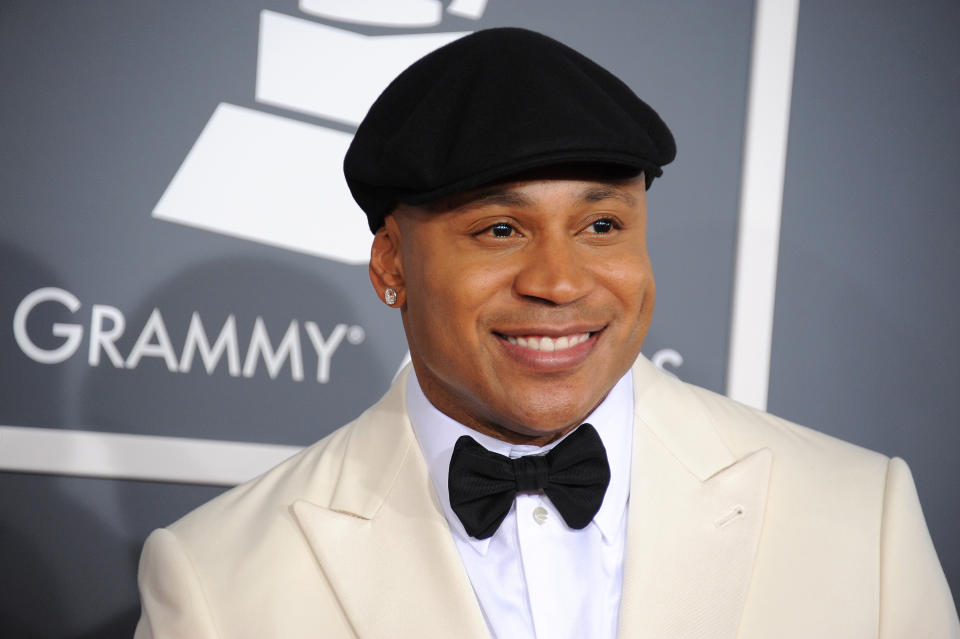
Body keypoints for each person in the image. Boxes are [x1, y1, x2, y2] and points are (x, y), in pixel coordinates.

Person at [133, 27, 959, 638]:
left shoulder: (861, 518)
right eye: (500, 230)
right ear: (391, 264)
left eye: (602, 225)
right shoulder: (216, 582)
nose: (560, 282)